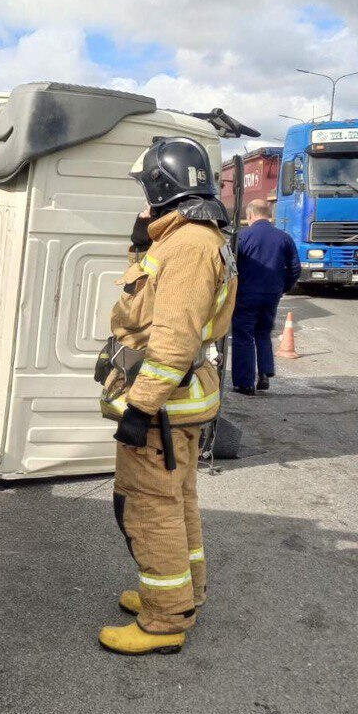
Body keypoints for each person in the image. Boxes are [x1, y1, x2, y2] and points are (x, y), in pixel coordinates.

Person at [95, 138, 237, 656]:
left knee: (150, 509)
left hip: (163, 409)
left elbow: (172, 339)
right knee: (178, 504)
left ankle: (163, 621)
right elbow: (151, 302)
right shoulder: (193, 237)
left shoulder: (187, 246)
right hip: (178, 407)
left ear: (162, 186)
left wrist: (140, 407)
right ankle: (184, 595)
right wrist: (139, 244)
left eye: (147, 188)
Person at [231, 199, 300, 395]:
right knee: (263, 332)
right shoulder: (284, 238)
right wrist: (282, 287)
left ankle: (245, 383)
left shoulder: (243, 237)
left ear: (250, 215)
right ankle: (264, 373)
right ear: (269, 214)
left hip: (246, 295)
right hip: (271, 295)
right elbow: (295, 269)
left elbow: (230, 266)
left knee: (243, 336)